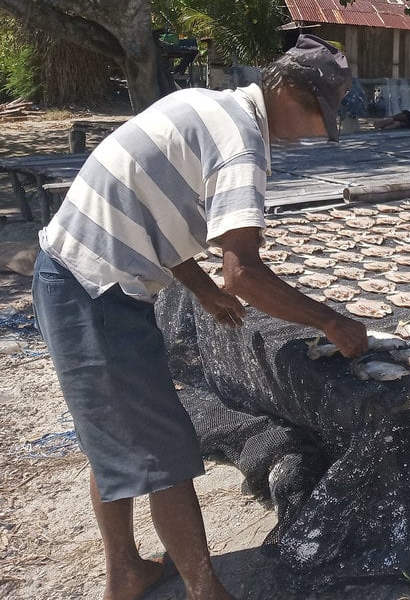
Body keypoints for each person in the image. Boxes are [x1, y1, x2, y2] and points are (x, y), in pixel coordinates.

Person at [31, 33, 368, 600]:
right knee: (168, 452)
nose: (317, 129)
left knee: (110, 438)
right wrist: (332, 322)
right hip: (94, 291)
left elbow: (152, 205)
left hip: (74, 275)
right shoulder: (241, 144)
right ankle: (205, 589)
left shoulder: (206, 102)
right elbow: (244, 274)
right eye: (316, 111)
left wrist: (197, 285)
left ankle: (127, 572)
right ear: (282, 86)